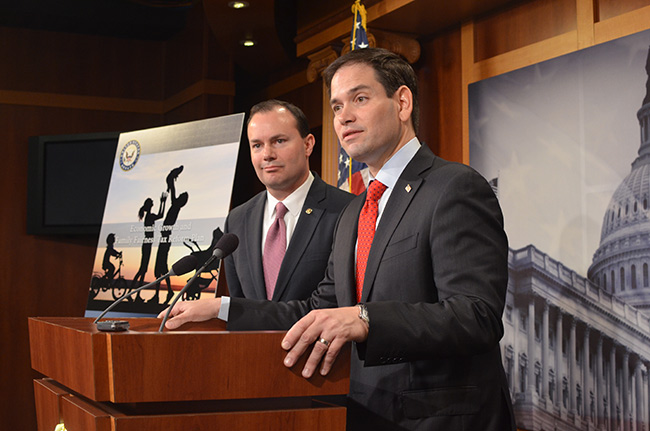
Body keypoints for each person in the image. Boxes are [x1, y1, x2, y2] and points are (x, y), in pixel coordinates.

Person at [160, 48, 516, 430]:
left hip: (442, 420)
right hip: (363, 414)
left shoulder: (453, 188)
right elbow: (316, 311)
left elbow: (476, 315)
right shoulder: (355, 212)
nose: (344, 116)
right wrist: (223, 309)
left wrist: (364, 318)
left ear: (402, 102)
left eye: (359, 99)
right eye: (336, 106)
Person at [223, 99, 354, 301]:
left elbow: (336, 303)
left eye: (279, 141)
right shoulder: (237, 220)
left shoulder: (347, 210)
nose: (267, 154)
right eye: (257, 145)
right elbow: (241, 309)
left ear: (308, 144)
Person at [132, 193, 167, 301]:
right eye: (152, 202)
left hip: (147, 244)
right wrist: (163, 202)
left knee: (142, 270)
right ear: (149, 205)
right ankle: (132, 294)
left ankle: (135, 294)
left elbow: (160, 216)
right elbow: (161, 215)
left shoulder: (149, 216)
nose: (153, 202)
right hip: (147, 245)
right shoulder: (150, 216)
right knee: (142, 270)